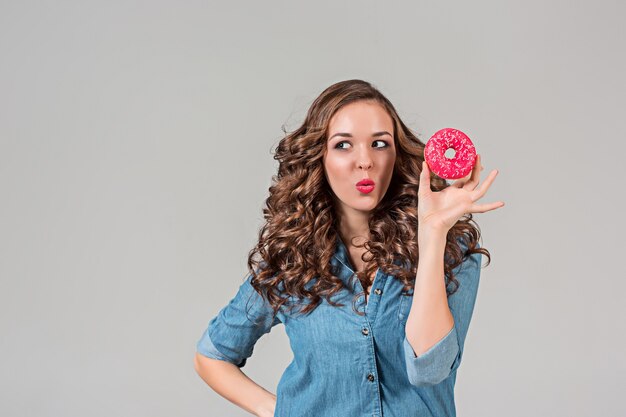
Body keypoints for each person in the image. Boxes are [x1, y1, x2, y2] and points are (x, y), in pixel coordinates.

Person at [194, 79, 504, 417]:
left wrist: (432, 235)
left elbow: (429, 370)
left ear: (397, 153)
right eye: (344, 145)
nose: (365, 161)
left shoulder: (451, 250)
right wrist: (284, 411)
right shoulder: (290, 261)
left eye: (379, 144)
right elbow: (212, 355)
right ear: (320, 157)